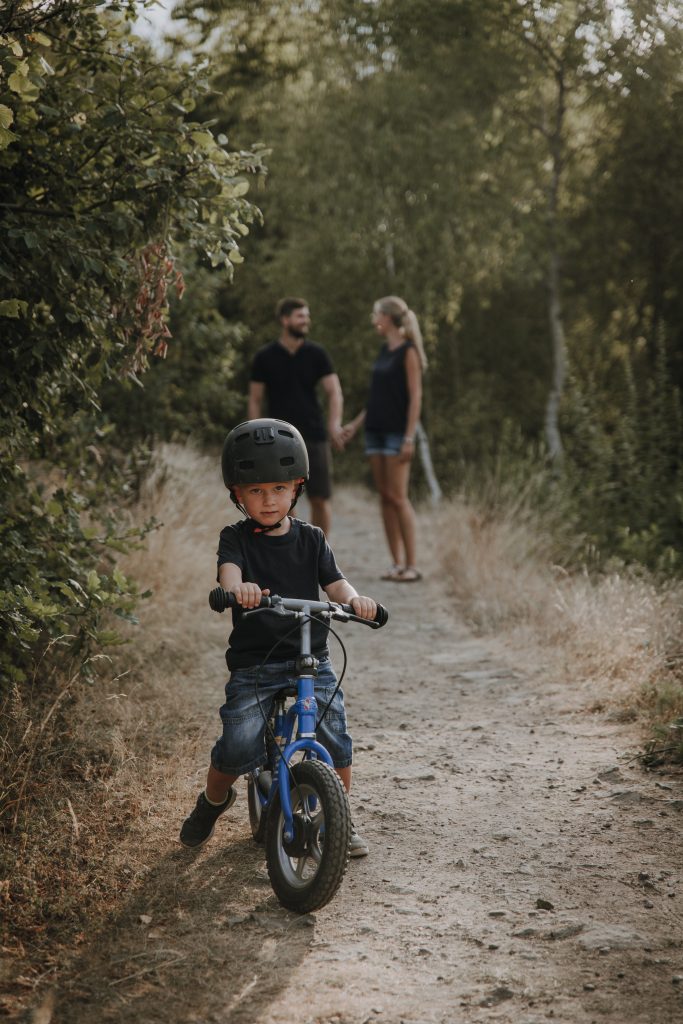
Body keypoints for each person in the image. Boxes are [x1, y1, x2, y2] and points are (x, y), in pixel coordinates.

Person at [179, 417, 375, 857]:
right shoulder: (235, 539)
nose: (269, 500)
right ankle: (213, 800)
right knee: (238, 742)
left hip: (311, 657)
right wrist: (238, 591)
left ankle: (338, 816)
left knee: (335, 736)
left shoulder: (312, 538)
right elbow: (229, 577)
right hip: (256, 661)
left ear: (297, 488)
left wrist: (356, 601)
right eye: (256, 491)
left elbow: (336, 585)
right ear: (237, 494)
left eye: (279, 489)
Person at [341, 296, 427, 582]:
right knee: (384, 498)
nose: (373, 320)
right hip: (374, 431)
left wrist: (409, 437)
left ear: (388, 318)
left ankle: (412, 566)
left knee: (399, 497)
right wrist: (354, 425)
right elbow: (375, 398)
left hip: (396, 433)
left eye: (376, 314)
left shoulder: (408, 352)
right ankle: (396, 563)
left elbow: (415, 397)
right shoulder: (383, 351)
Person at [248, 297, 344, 536]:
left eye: (306, 316)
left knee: (320, 499)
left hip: (314, 435)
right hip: (278, 440)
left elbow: (334, 392)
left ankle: (321, 554)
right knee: (285, 502)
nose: (306, 321)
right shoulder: (265, 357)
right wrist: (253, 434)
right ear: (285, 320)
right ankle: (293, 552)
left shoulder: (317, 354)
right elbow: (255, 399)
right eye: (301, 316)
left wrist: (334, 424)